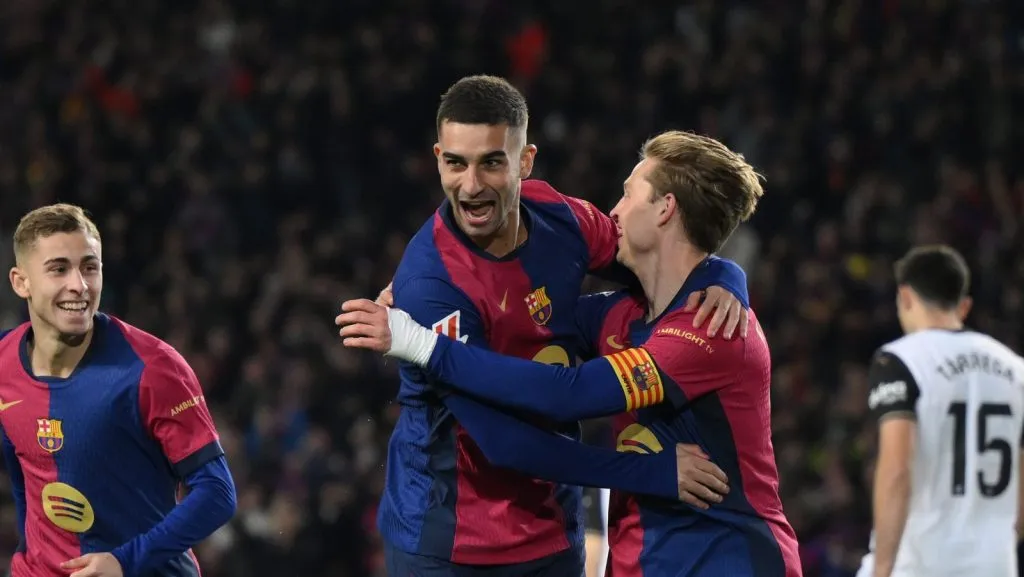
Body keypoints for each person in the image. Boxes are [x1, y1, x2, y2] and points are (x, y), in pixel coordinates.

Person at [339, 130, 801, 576]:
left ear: (666, 209)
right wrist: (427, 302)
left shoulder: (707, 330)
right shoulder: (620, 315)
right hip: (641, 559)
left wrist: (420, 343)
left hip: (726, 557)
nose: (614, 210)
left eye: (628, 194)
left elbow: (567, 394)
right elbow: (520, 323)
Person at [0, 204, 236, 577]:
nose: (79, 284)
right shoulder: (3, 363)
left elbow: (218, 493)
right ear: (20, 281)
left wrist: (125, 561)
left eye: (90, 267)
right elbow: (22, 474)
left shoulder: (153, 368)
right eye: (59, 268)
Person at [855, 245, 1024, 577]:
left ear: (905, 297)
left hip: (920, 562)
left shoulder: (901, 360)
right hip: (995, 565)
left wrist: (883, 568)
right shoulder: (1017, 369)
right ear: (964, 306)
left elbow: (897, 470)